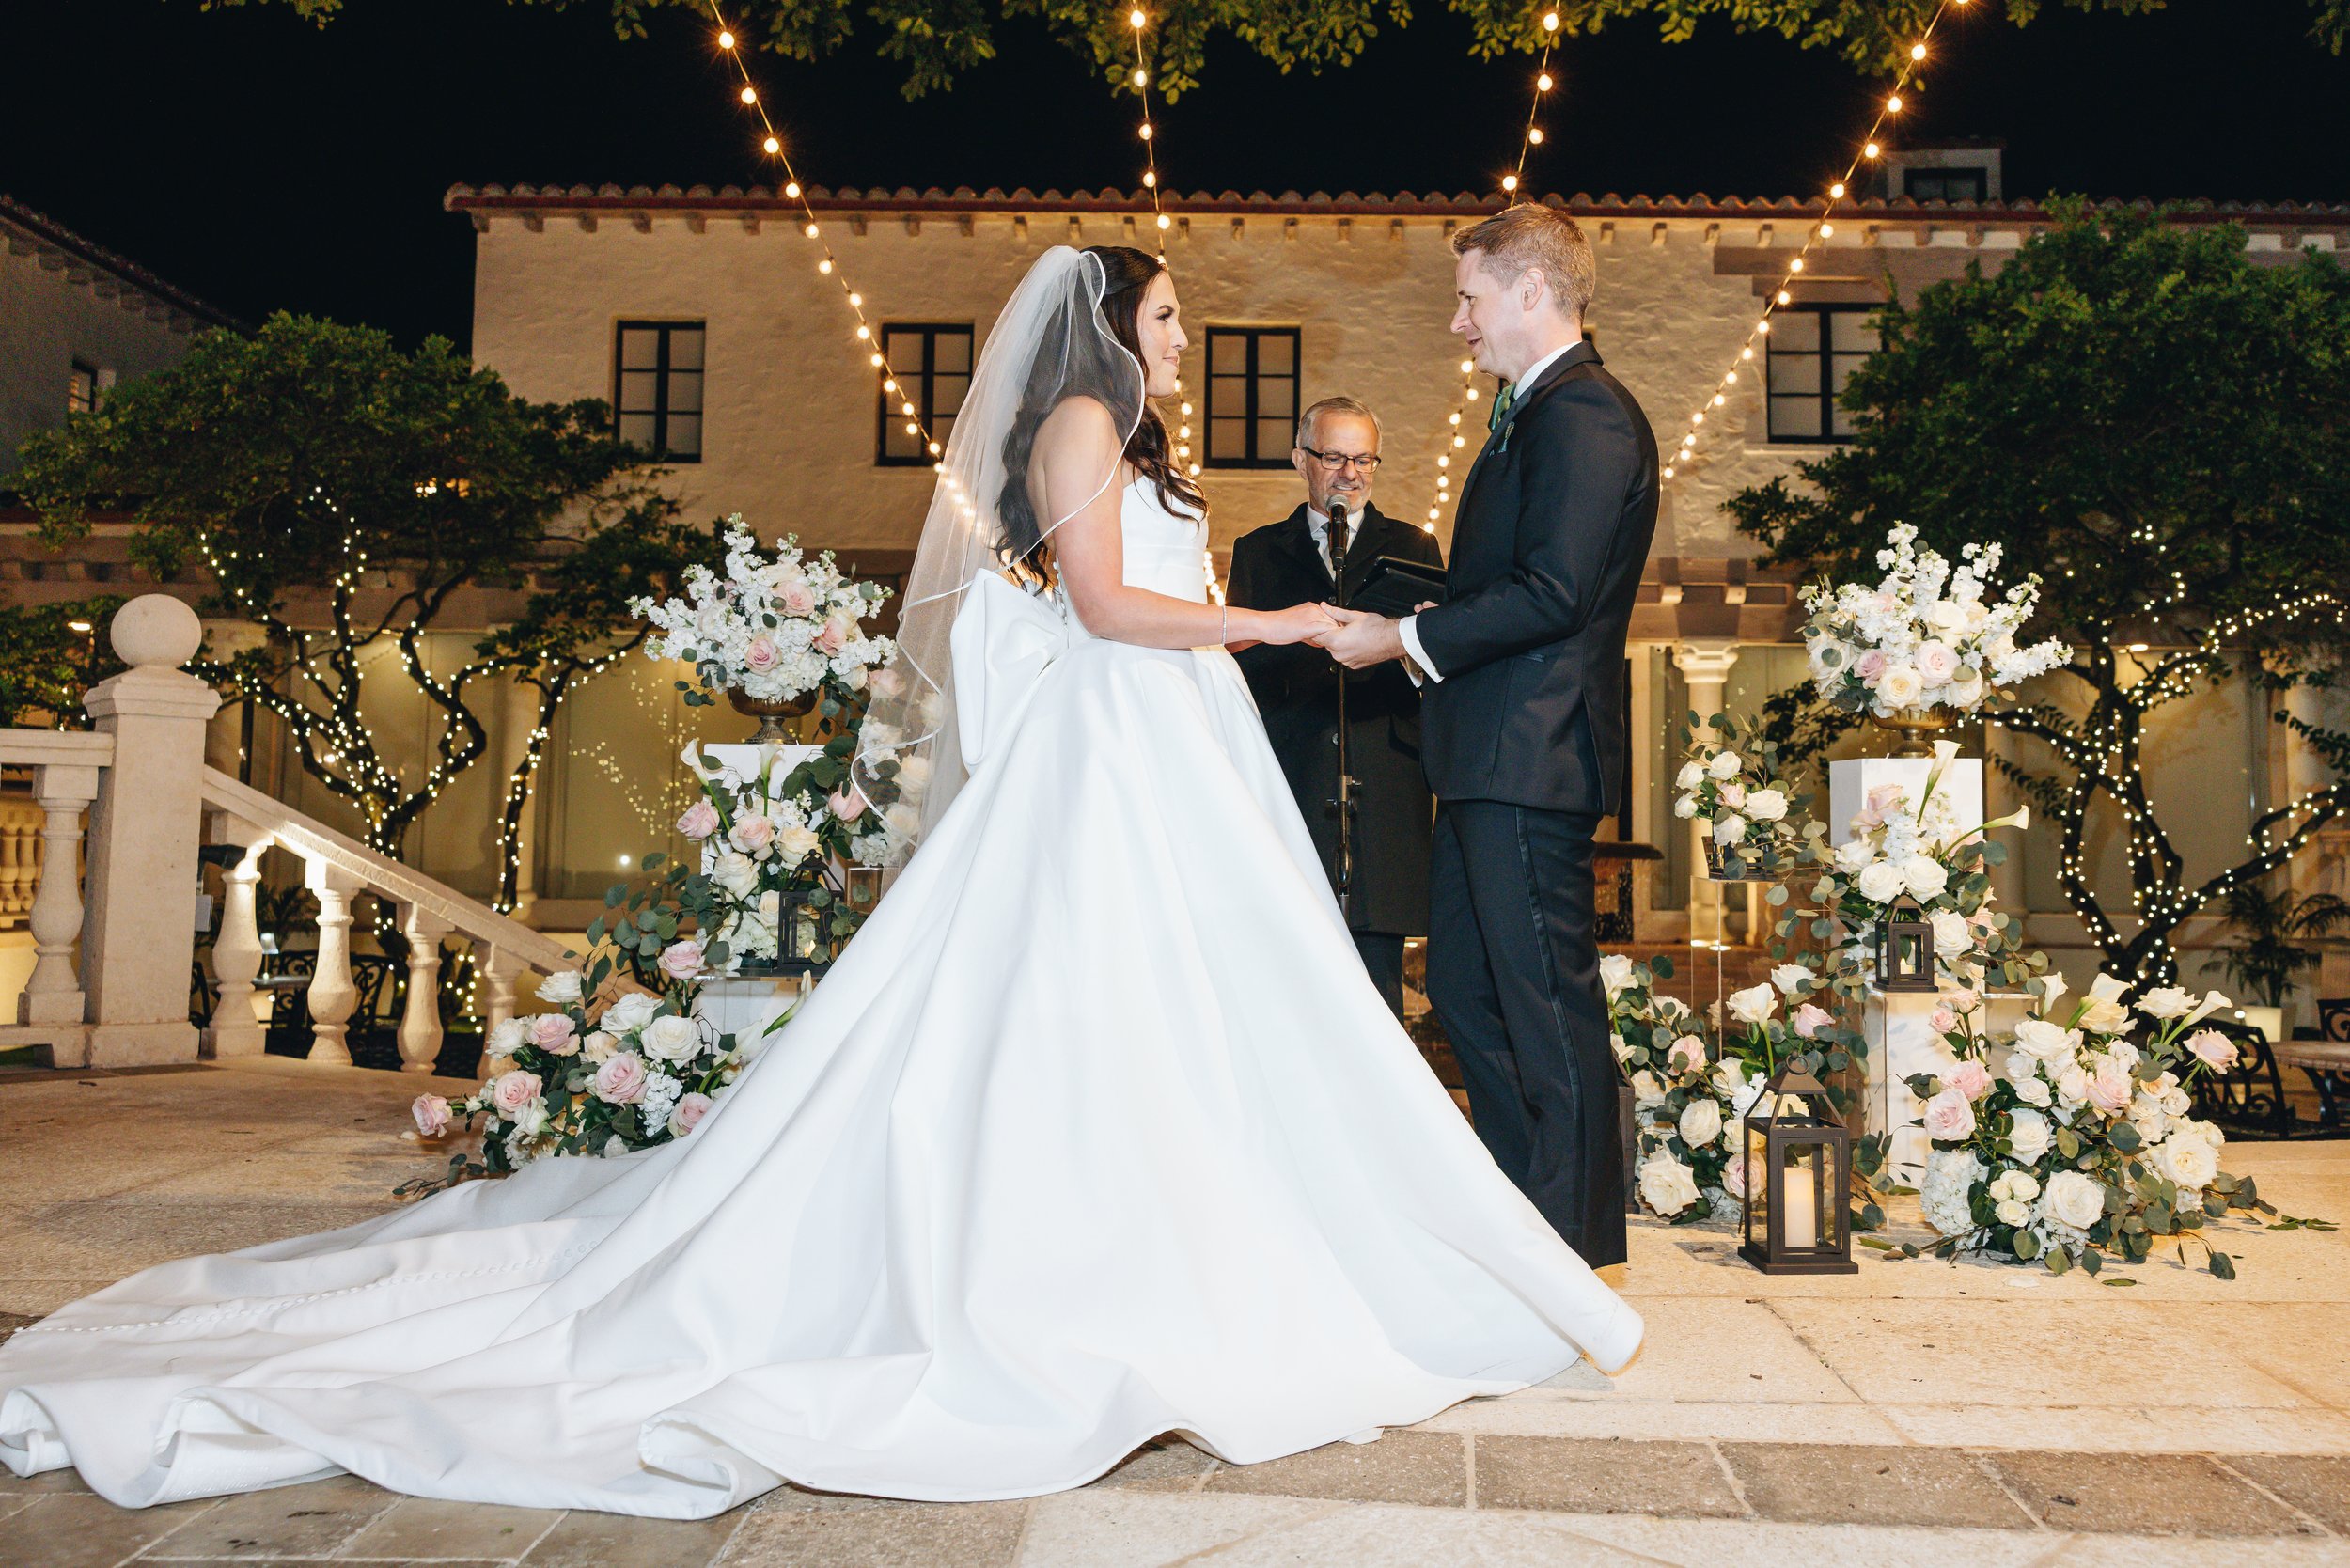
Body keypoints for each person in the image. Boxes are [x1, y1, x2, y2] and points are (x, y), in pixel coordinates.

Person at [0, 244, 1641, 1520]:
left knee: (1185, 1008)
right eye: (1164, 314)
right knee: (1080, 998)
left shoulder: (1131, 434)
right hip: (1115, 753)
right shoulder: (1078, 421)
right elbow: (1103, 611)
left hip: (1166, 761)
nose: (1180, 337)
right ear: (1101, 327)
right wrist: (1275, 621)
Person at [1318, 206, 1660, 1278]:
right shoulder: (1529, 413)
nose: (1456, 323)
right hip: (1484, 758)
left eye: (1468, 297)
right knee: (1467, 991)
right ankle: (1526, 1218)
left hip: (1532, 755)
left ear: (1528, 292)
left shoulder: (1586, 417)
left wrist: (1400, 637)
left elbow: (1554, 593)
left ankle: (1574, 1252)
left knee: (1546, 1005)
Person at [1224, 396, 1443, 1017]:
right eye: (1335, 457)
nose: (1351, 473)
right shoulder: (1259, 550)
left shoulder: (1415, 546)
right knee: (1287, 974)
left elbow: (1440, 663)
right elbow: (1243, 668)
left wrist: (1394, 645)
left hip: (1384, 784)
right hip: (1293, 777)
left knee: (1377, 988)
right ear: (1302, 460)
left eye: (1365, 459)